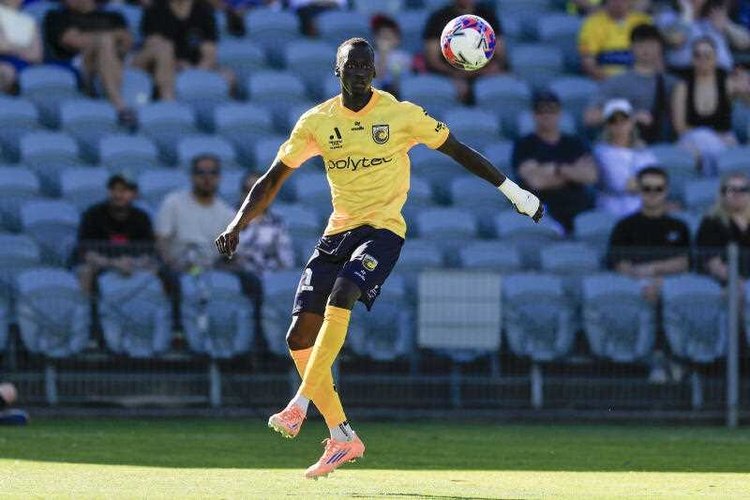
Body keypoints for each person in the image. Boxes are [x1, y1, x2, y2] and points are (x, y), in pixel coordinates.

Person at [215, 37, 543, 479]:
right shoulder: (317, 121)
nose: (359, 73)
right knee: (298, 336)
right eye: (351, 66)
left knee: (344, 292)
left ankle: (299, 403)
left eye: (366, 66)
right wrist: (238, 223)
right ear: (337, 70)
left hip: (384, 230)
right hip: (337, 233)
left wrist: (515, 192)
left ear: (376, 72)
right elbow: (272, 179)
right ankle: (342, 436)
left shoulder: (401, 115)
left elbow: (459, 150)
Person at [512, 90, 598, 234]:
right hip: (543, 212)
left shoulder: (574, 143)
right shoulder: (525, 145)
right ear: (534, 115)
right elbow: (536, 182)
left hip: (579, 208)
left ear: (559, 114)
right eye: (541, 111)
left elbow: (590, 176)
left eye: (551, 110)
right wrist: (572, 173)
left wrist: (555, 169)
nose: (547, 115)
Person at [43, 0, 135, 126]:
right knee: (104, 42)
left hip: (119, 60)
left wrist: (100, 38)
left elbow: (127, 42)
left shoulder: (114, 16)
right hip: (82, 63)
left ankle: (163, 106)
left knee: (159, 46)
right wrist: (111, 37)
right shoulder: (57, 16)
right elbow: (73, 41)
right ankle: (119, 105)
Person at [608, 166, 690, 303]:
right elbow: (620, 264)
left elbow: (684, 263)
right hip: (634, 289)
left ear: (666, 191)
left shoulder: (679, 226)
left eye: (658, 189)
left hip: (672, 288)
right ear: (639, 190)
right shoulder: (624, 226)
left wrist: (654, 270)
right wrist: (643, 283)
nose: (653, 193)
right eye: (647, 188)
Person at [585, 23, 679, 143]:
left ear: (660, 48)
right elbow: (590, 117)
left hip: (664, 144)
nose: (646, 50)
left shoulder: (672, 83)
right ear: (631, 47)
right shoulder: (616, 82)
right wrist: (629, 117)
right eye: (640, 45)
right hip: (626, 145)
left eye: (651, 45)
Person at [671, 36, 750, 175]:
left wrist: (746, 89)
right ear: (692, 59)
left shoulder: (728, 84)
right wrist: (712, 138)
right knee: (702, 140)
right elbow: (680, 128)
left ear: (716, 58)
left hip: (724, 140)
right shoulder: (683, 87)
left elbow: (747, 102)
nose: (703, 60)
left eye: (707, 55)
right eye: (698, 55)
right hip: (693, 140)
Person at [76, 174, 156, 295]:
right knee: (85, 271)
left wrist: (133, 263)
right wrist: (113, 263)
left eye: (125, 191)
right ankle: (89, 305)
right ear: (108, 192)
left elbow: (149, 252)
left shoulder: (142, 217)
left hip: (133, 263)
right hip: (100, 261)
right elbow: (85, 251)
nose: (119, 195)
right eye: (114, 190)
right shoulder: (92, 214)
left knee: (157, 270)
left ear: (135, 194)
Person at [133, 0, 222, 101]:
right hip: (161, 65)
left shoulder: (204, 11)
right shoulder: (155, 10)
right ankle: (168, 101)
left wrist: (193, 71)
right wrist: (176, 64)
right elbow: (153, 45)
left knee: (227, 76)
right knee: (165, 48)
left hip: (192, 66)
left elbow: (209, 51)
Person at [422, 0, 505, 104]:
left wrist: (483, 71)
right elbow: (433, 59)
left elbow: (500, 53)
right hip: (448, 75)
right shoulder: (438, 18)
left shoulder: (488, 16)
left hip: (484, 73)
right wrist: (456, 75)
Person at [595, 98, 658, 216]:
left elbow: (656, 180)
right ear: (607, 125)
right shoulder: (601, 152)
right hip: (612, 211)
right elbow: (618, 183)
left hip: (643, 210)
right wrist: (645, 184)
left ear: (632, 122)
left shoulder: (644, 152)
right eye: (613, 121)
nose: (619, 125)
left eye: (624, 120)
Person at [235, 172, 295, 277]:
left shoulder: (277, 223)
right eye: (248, 190)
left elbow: (287, 262)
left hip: (271, 278)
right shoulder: (228, 220)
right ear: (241, 193)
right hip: (239, 278)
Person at [663, 0, 750, 72]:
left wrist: (727, 26)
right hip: (684, 75)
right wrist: (687, 12)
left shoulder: (715, 15)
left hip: (721, 75)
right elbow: (676, 40)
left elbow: (745, 42)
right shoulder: (668, 16)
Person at [696, 171, 750, 282]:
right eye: (731, 189)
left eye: (743, 190)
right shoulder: (710, 222)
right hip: (726, 283)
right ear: (722, 194)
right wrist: (738, 283)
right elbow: (712, 263)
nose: (737, 194)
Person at [578, 0, 653, 80]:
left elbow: (654, 57)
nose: (618, 2)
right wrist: (612, 81)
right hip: (606, 79)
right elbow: (588, 63)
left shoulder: (643, 21)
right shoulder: (592, 23)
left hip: (640, 78)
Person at [0, 0, 42, 93]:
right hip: (3, 61)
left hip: (22, 64)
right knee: (5, 70)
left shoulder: (30, 21)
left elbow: (37, 57)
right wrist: (22, 49)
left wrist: (11, 48)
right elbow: (2, 47)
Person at [371, 14, 412, 99]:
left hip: (397, 93)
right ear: (375, 39)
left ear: (397, 40)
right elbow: (378, 76)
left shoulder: (404, 57)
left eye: (388, 37)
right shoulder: (371, 56)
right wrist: (383, 55)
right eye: (382, 37)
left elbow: (402, 78)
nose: (385, 41)